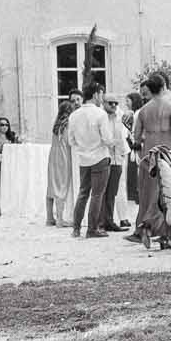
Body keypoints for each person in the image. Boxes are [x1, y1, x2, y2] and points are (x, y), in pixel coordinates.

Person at [132, 72, 171, 247]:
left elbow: (136, 137)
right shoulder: (170, 107)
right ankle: (164, 235)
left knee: (149, 194)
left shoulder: (143, 111)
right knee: (166, 194)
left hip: (149, 154)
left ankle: (146, 226)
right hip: (166, 153)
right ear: (162, 88)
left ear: (149, 90)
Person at [66, 82, 114, 238]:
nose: (102, 98)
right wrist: (114, 142)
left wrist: (83, 146)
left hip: (83, 159)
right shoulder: (101, 114)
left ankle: (76, 228)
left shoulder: (73, 115)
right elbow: (107, 139)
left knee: (83, 193)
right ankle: (92, 229)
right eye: (101, 94)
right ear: (95, 95)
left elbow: (71, 141)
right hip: (100, 156)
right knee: (97, 194)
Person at [45, 94, 78, 226]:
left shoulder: (56, 125)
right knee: (62, 186)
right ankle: (59, 219)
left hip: (53, 156)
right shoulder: (67, 124)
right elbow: (70, 141)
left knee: (51, 186)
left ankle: (49, 218)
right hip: (64, 157)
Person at [102, 98, 131, 230]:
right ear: (104, 103)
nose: (113, 105)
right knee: (104, 191)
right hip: (105, 157)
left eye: (115, 103)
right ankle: (104, 221)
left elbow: (124, 136)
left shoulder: (120, 116)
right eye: (110, 102)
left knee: (115, 190)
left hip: (118, 157)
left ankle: (113, 220)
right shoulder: (102, 117)